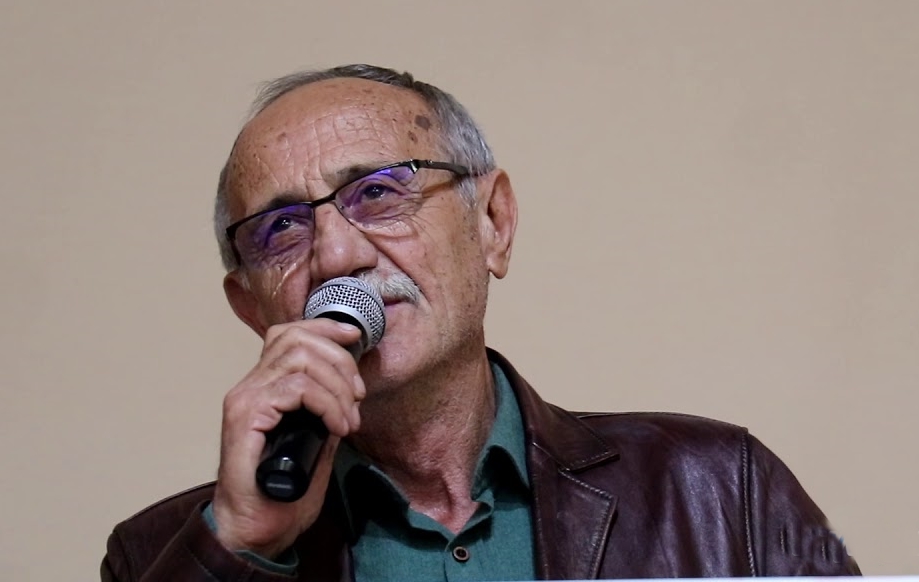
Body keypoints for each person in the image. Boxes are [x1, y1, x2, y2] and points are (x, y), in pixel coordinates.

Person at [101, 64, 859, 581]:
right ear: (250, 307)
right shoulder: (159, 555)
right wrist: (240, 545)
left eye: (378, 192)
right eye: (282, 229)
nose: (337, 255)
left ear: (492, 223)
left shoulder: (718, 488)